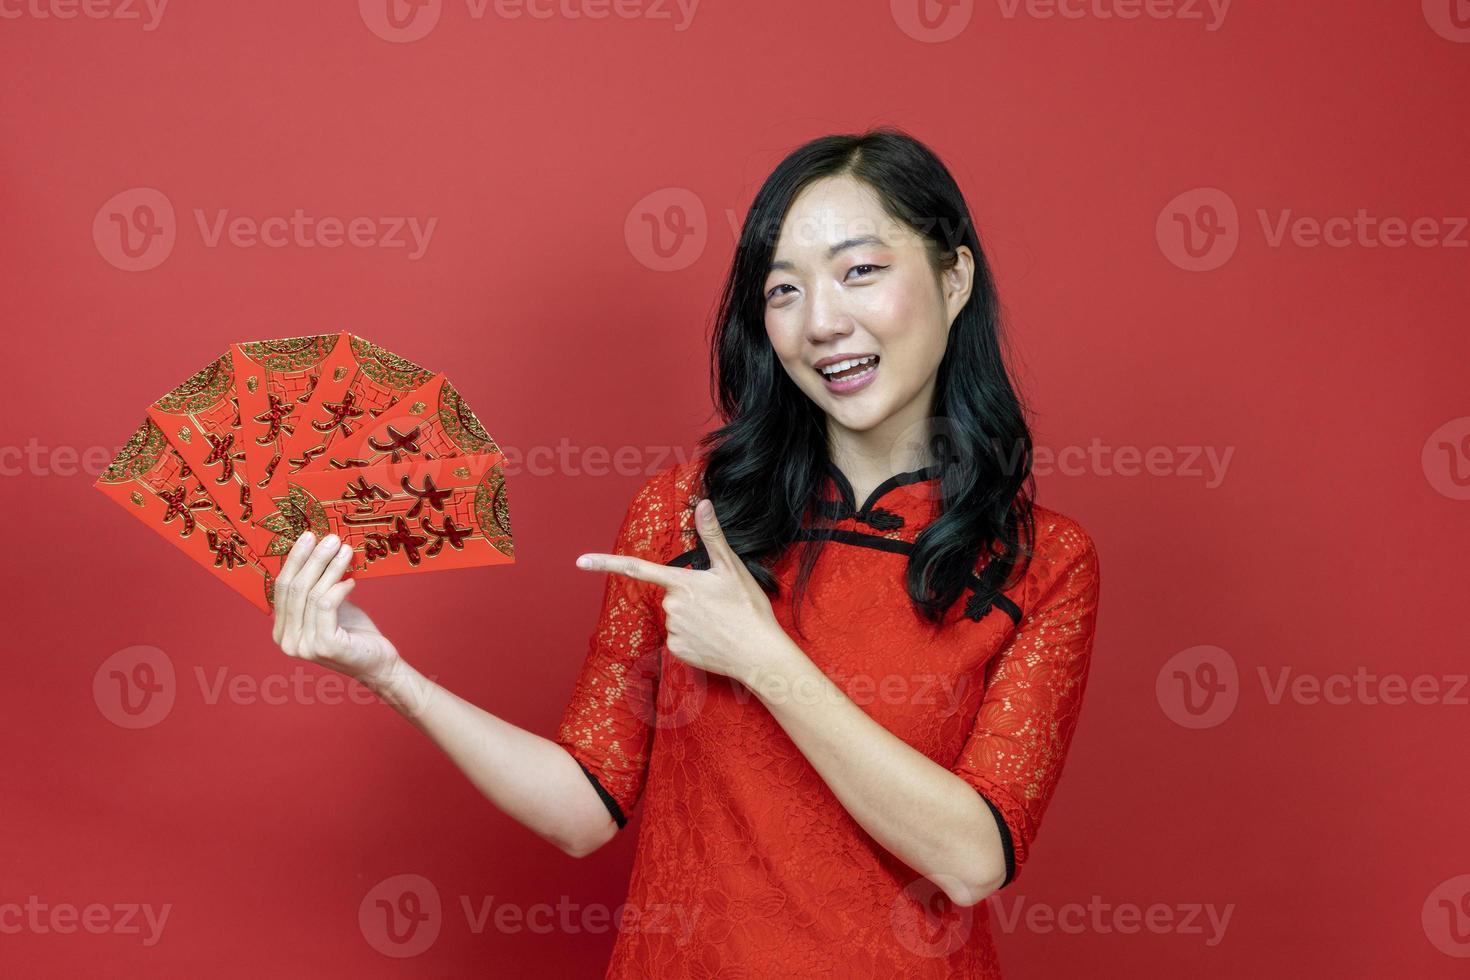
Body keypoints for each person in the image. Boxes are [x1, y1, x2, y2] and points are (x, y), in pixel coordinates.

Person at [269, 126, 1102, 978]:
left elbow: (971, 859)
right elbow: (584, 806)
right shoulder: (685, 514)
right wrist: (387, 673)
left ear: (953, 277)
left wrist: (762, 657)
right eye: (784, 290)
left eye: (861, 271)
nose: (821, 322)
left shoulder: (1043, 563)